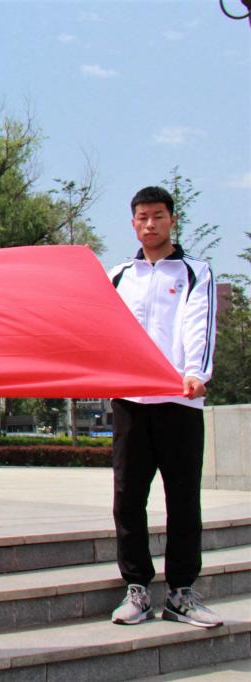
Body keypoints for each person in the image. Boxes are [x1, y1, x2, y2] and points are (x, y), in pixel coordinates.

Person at [107, 186, 220, 629]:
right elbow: (103, 329)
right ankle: (136, 588)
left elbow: (198, 323)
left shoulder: (195, 271)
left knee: (183, 500)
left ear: (172, 219)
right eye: (142, 217)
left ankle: (180, 593)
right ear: (132, 223)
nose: (150, 224)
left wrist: (196, 372)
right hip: (130, 401)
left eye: (157, 216)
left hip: (179, 400)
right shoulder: (119, 275)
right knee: (128, 498)